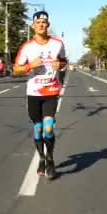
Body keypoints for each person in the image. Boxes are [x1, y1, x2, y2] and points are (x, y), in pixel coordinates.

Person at [13, 11, 66, 179]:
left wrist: (60, 64)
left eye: (44, 22)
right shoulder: (27, 47)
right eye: (38, 22)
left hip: (51, 91)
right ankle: (41, 158)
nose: (41, 25)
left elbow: (64, 61)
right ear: (33, 26)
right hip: (34, 93)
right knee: (37, 129)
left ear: (47, 25)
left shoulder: (57, 44)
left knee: (48, 127)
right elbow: (16, 70)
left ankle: (50, 159)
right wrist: (29, 66)